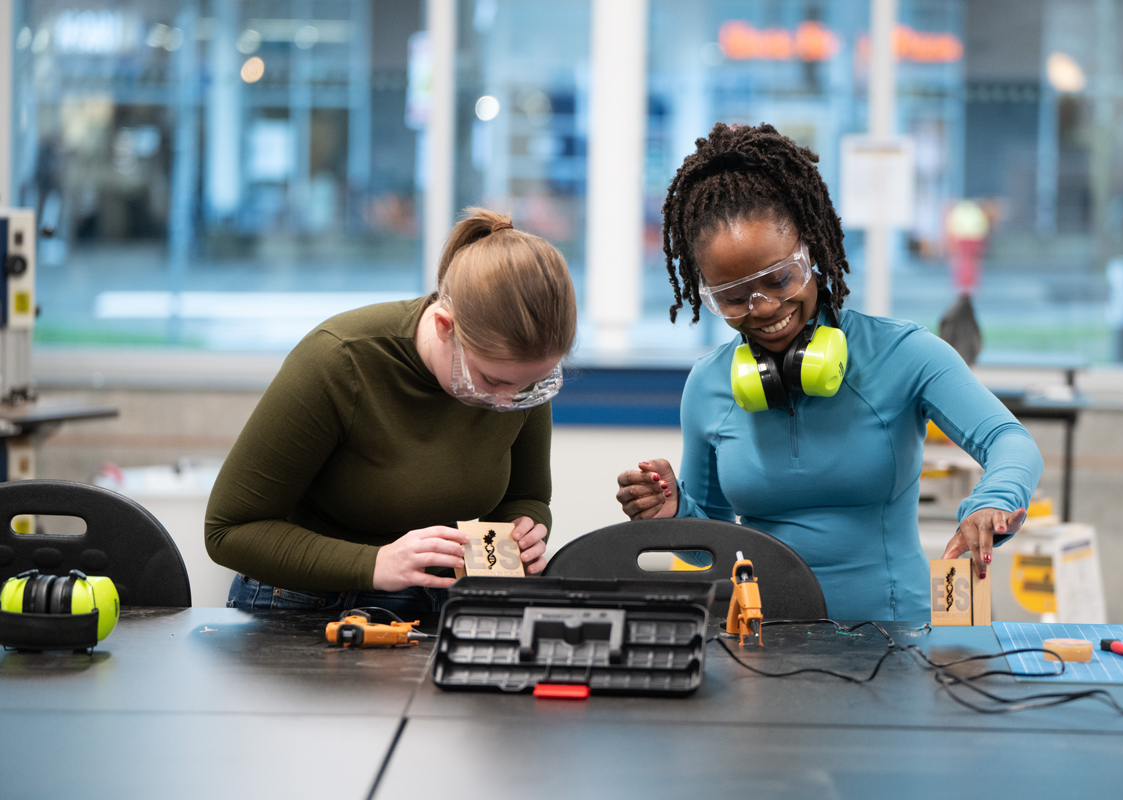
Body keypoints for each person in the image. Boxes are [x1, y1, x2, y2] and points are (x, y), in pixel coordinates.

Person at [615, 123, 1043, 621]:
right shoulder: (708, 385)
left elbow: (1012, 442)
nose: (765, 307)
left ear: (812, 250)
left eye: (780, 278)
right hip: (762, 643)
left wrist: (992, 501)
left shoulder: (905, 354)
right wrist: (673, 512)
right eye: (733, 297)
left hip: (892, 644)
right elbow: (706, 543)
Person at [206, 208, 576, 617]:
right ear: (444, 326)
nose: (508, 401)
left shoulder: (516, 377)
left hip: (444, 603)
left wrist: (522, 531)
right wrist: (376, 563)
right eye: (492, 382)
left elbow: (526, 496)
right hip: (307, 606)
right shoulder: (340, 359)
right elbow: (230, 530)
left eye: (529, 385)